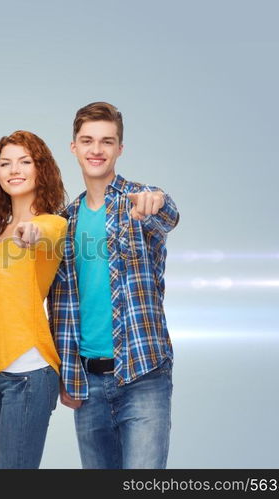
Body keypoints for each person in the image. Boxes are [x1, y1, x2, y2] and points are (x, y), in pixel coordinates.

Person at [48, 102, 180, 469]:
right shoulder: (65, 222)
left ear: (120, 148)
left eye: (107, 141)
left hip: (143, 374)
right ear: (73, 147)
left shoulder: (138, 200)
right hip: (87, 382)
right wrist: (67, 375)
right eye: (87, 140)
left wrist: (156, 202)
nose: (96, 149)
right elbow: (61, 307)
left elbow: (168, 214)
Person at [0, 130, 67, 469]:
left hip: (29, 374)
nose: (13, 169)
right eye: (5, 163)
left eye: (25, 161)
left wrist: (32, 232)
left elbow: (45, 234)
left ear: (40, 169)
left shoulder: (52, 224)